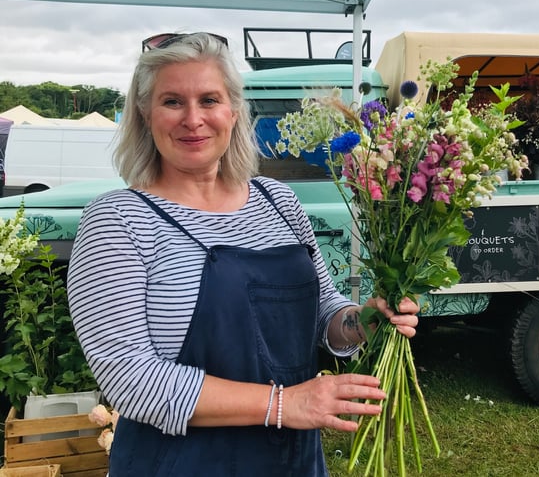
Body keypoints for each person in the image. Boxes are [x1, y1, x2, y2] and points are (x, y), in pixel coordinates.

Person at [66, 32, 420, 476]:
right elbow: (129, 379)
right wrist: (285, 403)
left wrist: (359, 322)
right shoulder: (118, 220)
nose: (193, 119)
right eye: (172, 101)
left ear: (233, 112)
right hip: (179, 464)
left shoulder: (279, 202)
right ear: (145, 114)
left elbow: (322, 311)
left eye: (209, 99)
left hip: (291, 461)